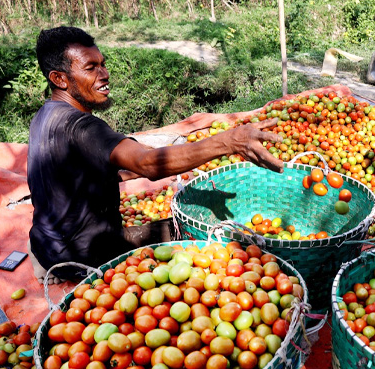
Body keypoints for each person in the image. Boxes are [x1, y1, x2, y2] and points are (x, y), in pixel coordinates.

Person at [28, 26, 283, 282]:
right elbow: (148, 164)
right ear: (59, 79)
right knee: (187, 232)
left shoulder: (45, 116)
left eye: (103, 64)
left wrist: (179, 160)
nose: (104, 75)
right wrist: (230, 142)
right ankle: (75, 272)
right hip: (87, 256)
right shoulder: (84, 128)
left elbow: (87, 171)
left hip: (47, 244)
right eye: (90, 68)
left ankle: (53, 265)